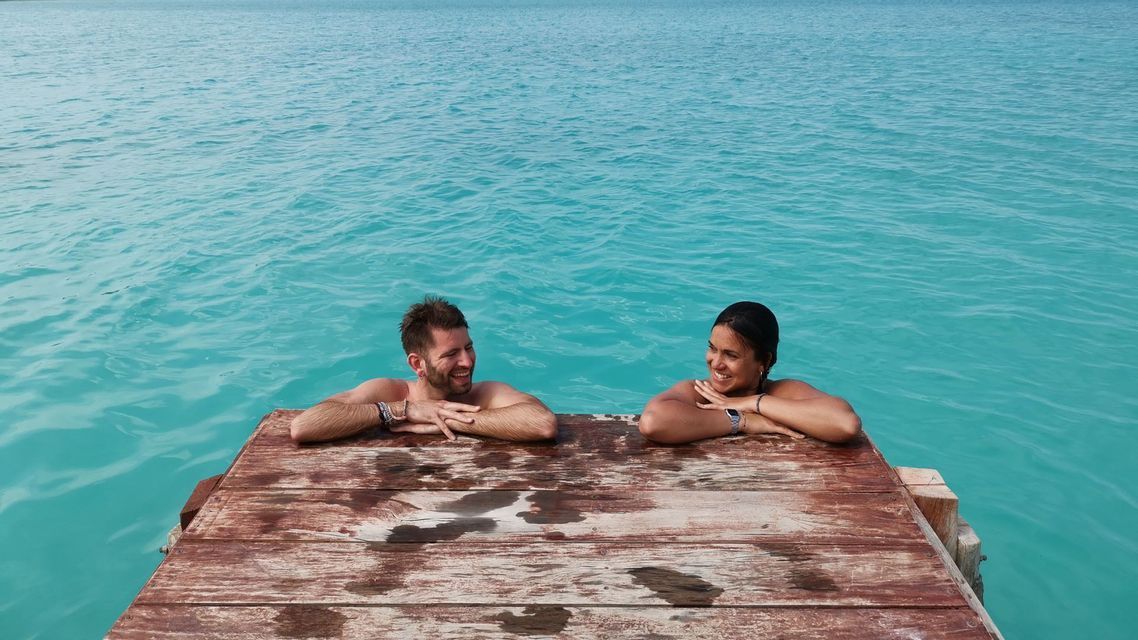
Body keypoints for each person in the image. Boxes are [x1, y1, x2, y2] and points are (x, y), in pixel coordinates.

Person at [290, 296, 557, 443]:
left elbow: (543, 424)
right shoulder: (391, 392)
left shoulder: (484, 395)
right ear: (418, 364)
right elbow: (303, 426)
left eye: (469, 347)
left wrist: (446, 419)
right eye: (452, 354)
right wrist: (403, 411)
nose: (467, 361)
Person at [638, 301, 861, 444]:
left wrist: (755, 402)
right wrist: (741, 421)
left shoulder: (782, 391)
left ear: (764, 361)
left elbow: (845, 423)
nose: (716, 363)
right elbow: (653, 422)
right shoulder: (700, 392)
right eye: (712, 348)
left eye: (731, 355)